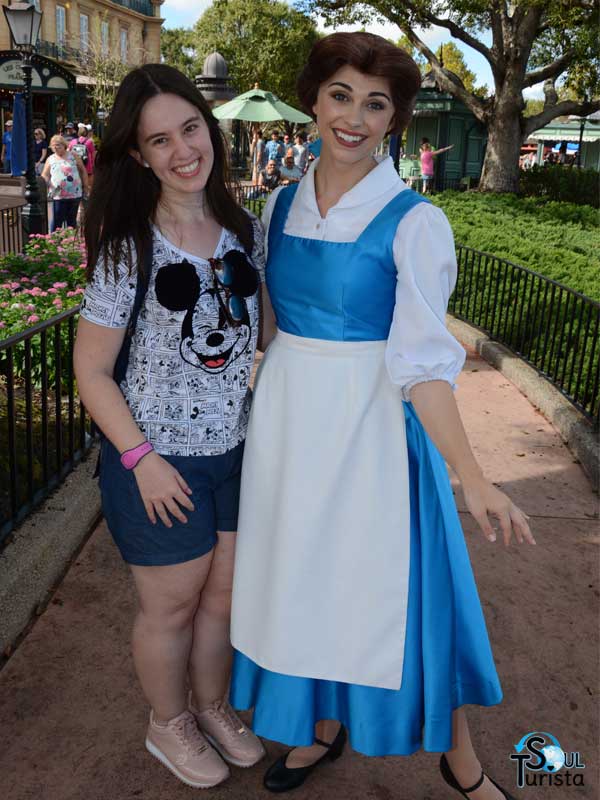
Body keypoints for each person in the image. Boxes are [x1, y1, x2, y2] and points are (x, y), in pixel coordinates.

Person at [229, 32, 534, 798]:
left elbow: (427, 367)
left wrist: (472, 477)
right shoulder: (277, 202)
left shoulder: (414, 221)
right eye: (341, 95)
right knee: (301, 577)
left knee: (399, 593)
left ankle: (460, 762)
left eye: (376, 104)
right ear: (315, 99)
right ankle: (320, 731)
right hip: (289, 422)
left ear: (394, 118)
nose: (354, 117)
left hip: (372, 425)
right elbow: (268, 325)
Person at [74, 63, 267, 790]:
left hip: (235, 450)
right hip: (160, 461)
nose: (184, 149)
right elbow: (92, 372)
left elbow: (268, 335)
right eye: (161, 140)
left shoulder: (243, 229)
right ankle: (168, 722)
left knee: (222, 597)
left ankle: (211, 706)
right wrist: (141, 460)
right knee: (172, 603)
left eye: (190, 128)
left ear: (207, 127)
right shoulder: (129, 248)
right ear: (138, 155)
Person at [41, 134, 88, 231]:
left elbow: (83, 170)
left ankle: (70, 243)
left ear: (64, 145)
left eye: (58, 145)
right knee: (57, 221)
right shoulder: (50, 159)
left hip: (74, 194)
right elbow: (45, 175)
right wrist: (46, 184)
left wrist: (85, 186)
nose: (55, 147)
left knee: (71, 221)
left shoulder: (73, 156)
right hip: (58, 195)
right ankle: (54, 242)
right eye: (53, 145)